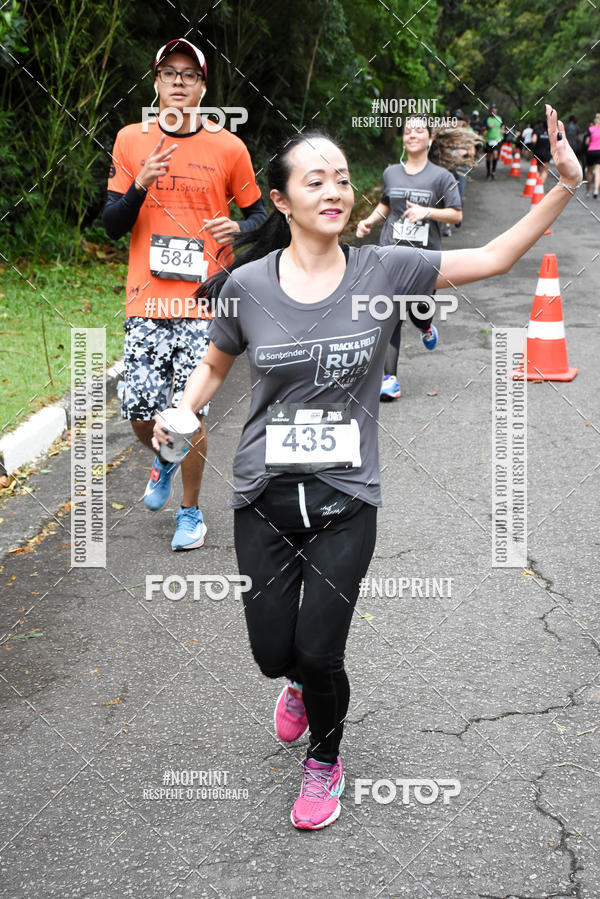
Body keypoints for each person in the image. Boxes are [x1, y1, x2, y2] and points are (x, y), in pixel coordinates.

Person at [151, 105, 582, 831]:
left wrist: (563, 186)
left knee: (320, 649)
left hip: (347, 495)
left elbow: (496, 258)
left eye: (343, 179)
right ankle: (292, 682)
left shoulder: (387, 266)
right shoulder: (249, 284)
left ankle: (326, 756)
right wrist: (185, 407)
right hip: (263, 493)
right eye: (314, 180)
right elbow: (214, 363)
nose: (335, 190)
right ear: (281, 200)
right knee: (271, 652)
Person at [103, 38, 266, 550]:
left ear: (202, 87)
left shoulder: (228, 147)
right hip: (146, 297)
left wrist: (238, 229)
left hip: (204, 300)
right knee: (139, 410)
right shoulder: (131, 140)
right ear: (155, 82)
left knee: (188, 412)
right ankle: (162, 457)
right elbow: (111, 223)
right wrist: (139, 186)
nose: (178, 82)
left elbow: (263, 215)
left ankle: (190, 514)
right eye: (169, 73)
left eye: (188, 74)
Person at [354, 115, 462, 400]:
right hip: (390, 252)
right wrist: (368, 221)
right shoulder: (391, 172)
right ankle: (389, 379)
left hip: (425, 257)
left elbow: (456, 215)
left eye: (419, 130)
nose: (413, 134)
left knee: (417, 310)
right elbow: (386, 205)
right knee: (390, 314)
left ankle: (426, 326)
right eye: (407, 131)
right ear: (403, 139)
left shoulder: (442, 177)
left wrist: (427, 212)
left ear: (429, 139)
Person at [484, 103, 505, 180]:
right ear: (491, 110)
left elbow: (503, 126)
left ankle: (493, 171)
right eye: (492, 108)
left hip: (497, 139)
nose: (494, 110)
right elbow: (483, 128)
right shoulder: (487, 119)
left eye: (495, 108)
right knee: (488, 157)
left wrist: (503, 130)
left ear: (497, 110)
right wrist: (487, 127)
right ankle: (488, 172)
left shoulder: (500, 118)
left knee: (495, 154)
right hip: (489, 139)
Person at [583, 113, 600, 197]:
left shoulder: (591, 129)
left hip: (590, 151)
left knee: (589, 171)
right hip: (599, 151)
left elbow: (586, 142)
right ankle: (596, 190)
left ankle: (588, 191)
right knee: (598, 171)